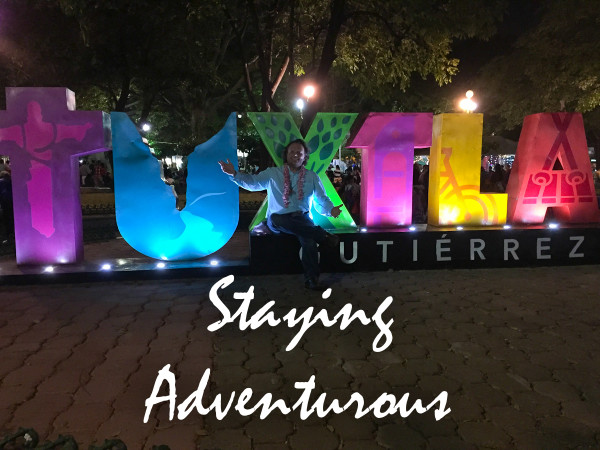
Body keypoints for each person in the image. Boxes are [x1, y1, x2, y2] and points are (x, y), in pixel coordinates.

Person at [219, 139, 342, 290]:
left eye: (299, 153)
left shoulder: (312, 177)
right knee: (277, 218)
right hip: (278, 220)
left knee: (308, 241)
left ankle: (312, 280)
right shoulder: (273, 173)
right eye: (292, 152)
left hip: (302, 218)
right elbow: (253, 183)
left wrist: (331, 210)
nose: (296, 155)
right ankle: (322, 236)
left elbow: (322, 198)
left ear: (305, 157)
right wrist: (234, 174)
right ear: (286, 155)